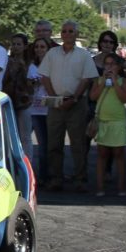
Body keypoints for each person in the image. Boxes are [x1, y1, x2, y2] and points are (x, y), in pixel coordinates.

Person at [38, 20, 98, 192]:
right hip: (55, 102)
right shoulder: (52, 53)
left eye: (71, 31)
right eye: (64, 31)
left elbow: (87, 79)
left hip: (77, 103)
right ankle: (56, 178)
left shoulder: (84, 55)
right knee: (53, 144)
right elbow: (45, 77)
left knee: (78, 144)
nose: (67, 34)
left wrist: (75, 98)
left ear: (76, 34)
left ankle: (80, 178)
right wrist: (53, 97)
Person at [89, 53, 126, 197]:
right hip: (103, 121)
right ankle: (100, 187)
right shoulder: (99, 80)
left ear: (119, 67)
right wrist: (103, 83)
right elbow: (93, 97)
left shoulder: (123, 81)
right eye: (107, 64)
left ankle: (122, 187)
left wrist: (114, 81)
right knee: (102, 154)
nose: (109, 67)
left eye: (112, 64)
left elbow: (124, 98)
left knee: (119, 154)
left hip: (118, 121)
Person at [2, 33, 34, 157]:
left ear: (25, 46)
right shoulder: (7, 61)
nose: (15, 47)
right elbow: (3, 80)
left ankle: (28, 164)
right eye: (13, 44)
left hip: (25, 103)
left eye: (18, 44)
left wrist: (22, 67)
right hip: (9, 101)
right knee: (9, 136)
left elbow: (31, 83)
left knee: (25, 137)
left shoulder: (30, 62)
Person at [29, 38, 52, 181]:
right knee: (38, 144)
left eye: (42, 46)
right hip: (34, 109)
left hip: (49, 108)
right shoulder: (31, 66)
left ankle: (49, 174)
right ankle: (41, 176)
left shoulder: (53, 66)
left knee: (49, 145)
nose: (39, 49)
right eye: (37, 47)